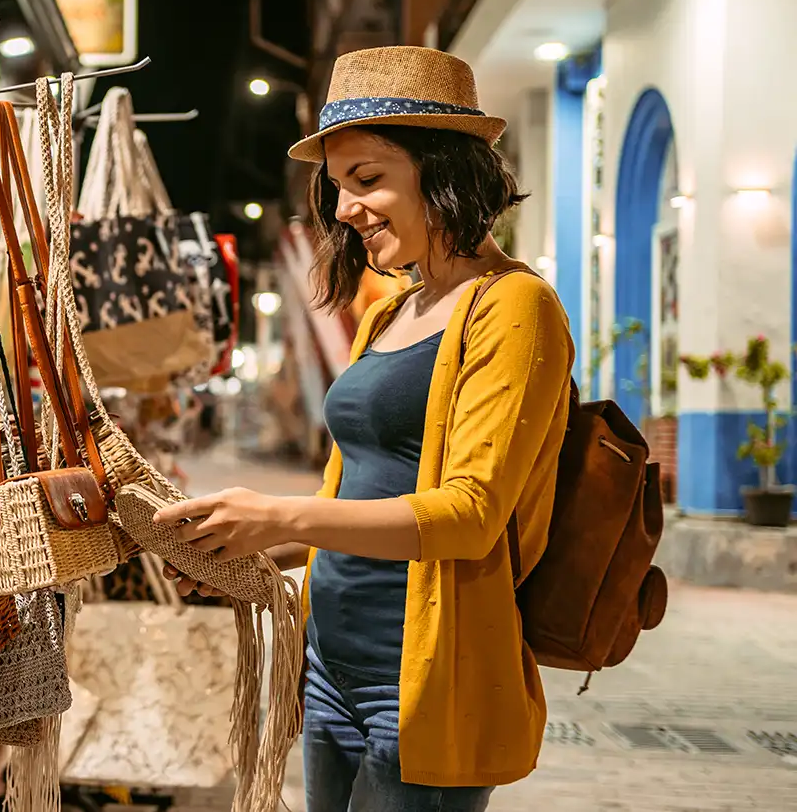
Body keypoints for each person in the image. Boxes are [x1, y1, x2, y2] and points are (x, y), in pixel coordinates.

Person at [156, 46, 575, 811]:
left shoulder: (513, 306)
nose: (345, 209)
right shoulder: (387, 311)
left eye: (368, 179)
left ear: (443, 172)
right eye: (340, 186)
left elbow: (471, 514)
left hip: (420, 672)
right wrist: (236, 542)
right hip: (331, 664)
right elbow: (347, 493)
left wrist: (277, 512)